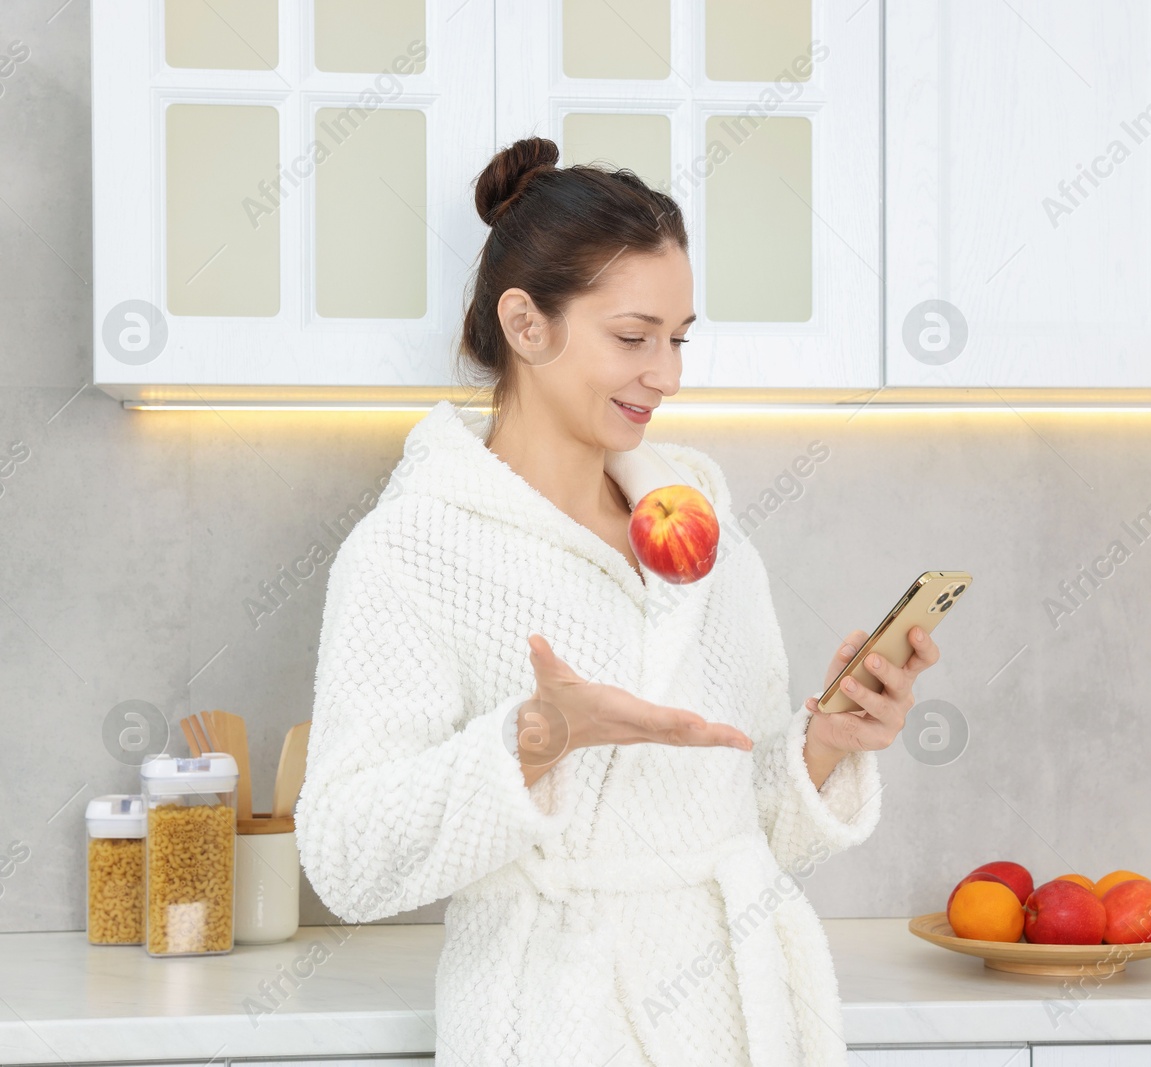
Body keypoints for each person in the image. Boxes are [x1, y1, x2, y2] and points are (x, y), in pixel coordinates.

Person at [295, 136, 943, 1067]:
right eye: (633, 338)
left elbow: (745, 820)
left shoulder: (701, 528)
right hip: (558, 1020)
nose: (668, 375)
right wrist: (532, 739)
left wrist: (826, 741)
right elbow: (347, 856)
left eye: (679, 340)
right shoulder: (414, 548)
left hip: (740, 1014)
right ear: (526, 325)